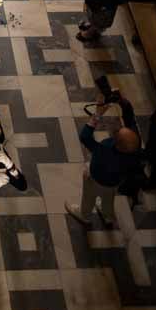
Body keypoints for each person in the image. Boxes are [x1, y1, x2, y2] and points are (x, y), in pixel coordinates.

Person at [65, 93, 142, 228]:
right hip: (114, 183)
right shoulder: (136, 149)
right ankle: (107, 216)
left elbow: (85, 137)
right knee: (108, 198)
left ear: (116, 142)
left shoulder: (105, 151)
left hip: (96, 180)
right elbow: (130, 120)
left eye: (118, 132)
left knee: (88, 197)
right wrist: (122, 101)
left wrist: (98, 114)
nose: (118, 129)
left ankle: (84, 215)